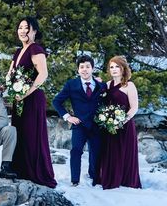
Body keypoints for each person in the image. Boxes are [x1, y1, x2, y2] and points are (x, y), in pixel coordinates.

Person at [8, 17, 57, 188]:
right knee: (18, 134)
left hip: (32, 99)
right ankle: (20, 170)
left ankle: (35, 173)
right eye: (20, 27)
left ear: (34, 31)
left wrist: (25, 93)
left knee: (31, 135)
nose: (22, 31)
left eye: (26, 28)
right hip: (18, 99)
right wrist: (7, 86)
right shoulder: (18, 51)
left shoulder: (36, 49)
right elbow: (10, 75)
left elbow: (43, 75)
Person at [52, 55, 106, 186]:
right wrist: (68, 117)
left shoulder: (101, 85)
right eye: (81, 67)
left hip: (96, 124)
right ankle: (74, 180)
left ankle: (94, 177)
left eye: (88, 67)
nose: (85, 69)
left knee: (96, 151)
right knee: (76, 150)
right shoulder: (71, 84)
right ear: (78, 70)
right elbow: (56, 101)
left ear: (92, 68)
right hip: (79, 124)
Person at [93, 56, 141, 189]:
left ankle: (125, 179)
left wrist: (122, 121)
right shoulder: (107, 85)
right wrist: (95, 82)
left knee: (123, 152)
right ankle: (110, 177)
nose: (114, 69)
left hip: (124, 125)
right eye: (111, 67)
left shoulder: (129, 85)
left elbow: (134, 107)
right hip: (108, 126)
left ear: (123, 68)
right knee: (110, 152)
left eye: (117, 67)